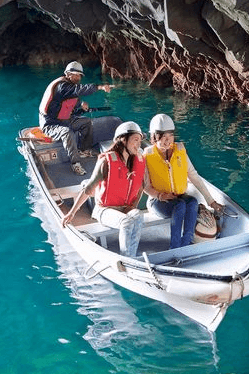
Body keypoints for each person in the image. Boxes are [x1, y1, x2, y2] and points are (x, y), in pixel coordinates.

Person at [62, 121, 147, 257]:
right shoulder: (106, 162)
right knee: (126, 221)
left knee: (138, 215)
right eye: (135, 140)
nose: (139, 144)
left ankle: (132, 256)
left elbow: (140, 187)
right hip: (104, 210)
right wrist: (71, 213)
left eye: (140, 141)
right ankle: (127, 259)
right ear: (123, 140)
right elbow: (89, 189)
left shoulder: (136, 162)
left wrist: (132, 207)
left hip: (123, 208)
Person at [144, 114, 224, 249]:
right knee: (180, 206)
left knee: (192, 202)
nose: (167, 140)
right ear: (154, 137)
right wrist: (161, 195)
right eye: (162, 136)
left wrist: (211, 201)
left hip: (178, 198)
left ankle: (186, 244)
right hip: (157, 202)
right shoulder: (147, 155)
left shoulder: (180, 151)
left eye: (170, 136)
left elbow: (194, 176)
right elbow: (145, 186)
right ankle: (174, 248)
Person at [39, 61, 114, 175]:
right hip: (51, 124)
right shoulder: (62, 86)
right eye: (76, 74)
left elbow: (70, 99)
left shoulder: (69, 88)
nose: (78, 77)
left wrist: (80, 104)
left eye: (80, 75)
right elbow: (78, 90)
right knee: (66, 132)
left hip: (65, 120)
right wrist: (100, 87)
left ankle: (85, 149)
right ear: (68, 74)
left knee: (86, 122)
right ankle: (75, 164)